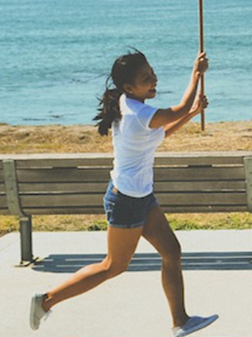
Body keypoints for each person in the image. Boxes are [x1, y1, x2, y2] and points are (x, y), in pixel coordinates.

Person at [29, 50, 218, 337]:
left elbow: (162, 132)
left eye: (152, 73)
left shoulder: (130, 104)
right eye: (146, 78)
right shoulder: (137, 112)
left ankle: (181, 321)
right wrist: (196, 74)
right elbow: (177, 109)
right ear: (129, 87)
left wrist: (192, 113)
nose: (153, 80)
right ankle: (46, 300)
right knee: (112, 266)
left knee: (172, 252)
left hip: (142, 196)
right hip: (126, 201)